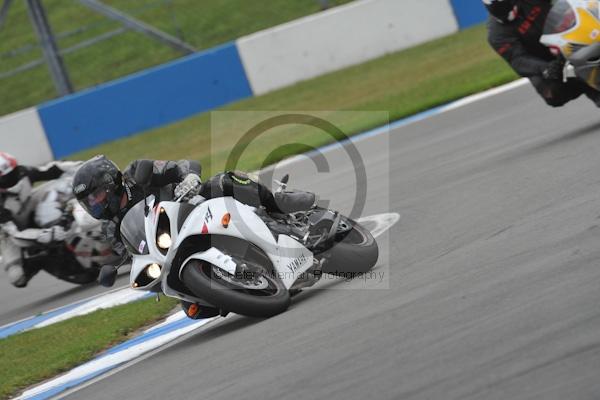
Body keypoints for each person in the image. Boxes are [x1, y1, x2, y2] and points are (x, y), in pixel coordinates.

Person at [72, 155, 315, 317]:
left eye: (96, 196)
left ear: (110, 183)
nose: (95, 204)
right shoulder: (111, 229)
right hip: (173, 249)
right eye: (88, 202)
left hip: (196, 209)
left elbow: (184, 165)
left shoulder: (137, 174)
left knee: (222, 181)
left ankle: (277, 204)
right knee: (193, 310)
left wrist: (189, 177)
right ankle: (246, 285)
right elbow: (135, 253)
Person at [484, 0, 600, 107]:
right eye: (496, 9)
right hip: (543, 61)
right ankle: (588, 87)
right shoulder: (496, 35)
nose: (502, 11)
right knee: (552, 94)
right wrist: (545, 68)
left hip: (565, 38)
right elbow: (517, 60)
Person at [0, 152, 82, 287]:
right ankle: (42, 260)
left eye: (14, 170)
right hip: (8, 233)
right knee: (18, 278)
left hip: (28, 202)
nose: (14, 176)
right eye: (7, 177)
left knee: (61, 185)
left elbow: (52, 169)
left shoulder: (22, 172)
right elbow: (15, 233)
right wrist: (45, 234)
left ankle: (77, 214)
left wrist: (79, 166)